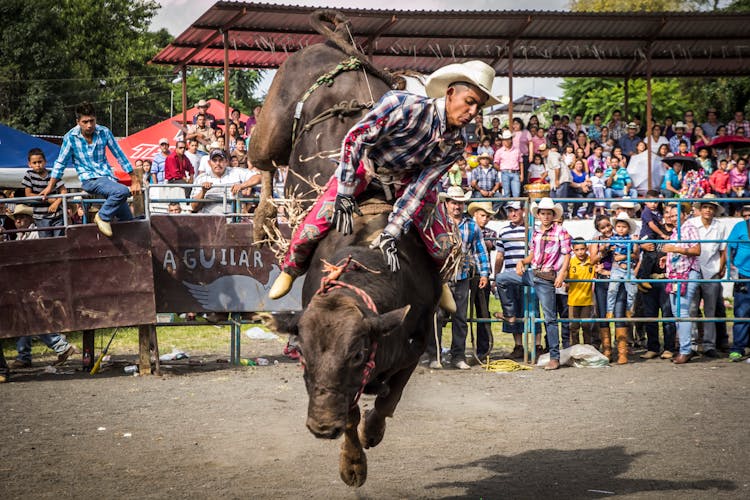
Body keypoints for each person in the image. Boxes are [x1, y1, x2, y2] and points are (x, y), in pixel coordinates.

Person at [268, 60, 501, 312]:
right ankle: (291, 269)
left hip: (407, 181)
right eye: (470, 101)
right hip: (365, 169)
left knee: (443, 245)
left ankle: (440, 277)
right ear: (450, 93)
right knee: (316, 222)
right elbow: (355, 141)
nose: (473, 111)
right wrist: (345, 193)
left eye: (478, 107)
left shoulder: (456, 143)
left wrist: (392, 231)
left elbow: (421, 188)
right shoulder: (401, 105)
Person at [41, 102, 140, 237]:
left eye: (91, 121)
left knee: (128, 220)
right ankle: (103, 216)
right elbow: (60, 163)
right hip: (90, 180)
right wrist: (49, 186)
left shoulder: (104, 132)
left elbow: (120, 155)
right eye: (85, 122)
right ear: (78, 122)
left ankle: (128, 251)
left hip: (108, 179)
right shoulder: (70, 137)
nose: (89, 125)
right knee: (122, 191)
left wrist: (134, 179)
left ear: (95, 119)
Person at [496, 197, 571, 370]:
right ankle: (510, 313)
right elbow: (533, 255)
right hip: (532, 273)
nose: (545, 216)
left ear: (553, 215)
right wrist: (522, 261)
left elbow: (567, 254)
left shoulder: (561, 231)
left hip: (546, 277)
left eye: (548, 214)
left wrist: (561, 274)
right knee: (501, 279)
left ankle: (554, 357)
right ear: (538, 215)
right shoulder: (536, 233)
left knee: (550, 318)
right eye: (543, 213)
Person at [441, 191, 490, 370]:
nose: (457, 206)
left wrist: (484, 273)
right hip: (441, 276)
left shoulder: (471, 226)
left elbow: (480, 251)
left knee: (460, 317)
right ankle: (434, 354)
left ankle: (458, 356)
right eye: (454, 202)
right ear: (447, 203)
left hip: (462, 275)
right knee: (437, 316)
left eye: (460, 203)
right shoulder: (439, 223)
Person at [686, 195, 726, 358]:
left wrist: (720, 269)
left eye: (711, 207)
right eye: (705, 207)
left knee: (711, 309)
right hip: (693, 269)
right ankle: (694, 343)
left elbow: (723, 250)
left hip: (712, 270)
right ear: (700, 209)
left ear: (715, 210)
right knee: (692, 308)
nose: (708, 210)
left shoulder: (720, 226)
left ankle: (709, 344)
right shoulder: (691, 224)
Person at [494, 201, 535, 358]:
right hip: (510, 274)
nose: (513, 213)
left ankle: (536, 344)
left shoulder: (532, 230)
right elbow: (500, 255)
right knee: (514, 308)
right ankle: (518, 346)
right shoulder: (503, 231)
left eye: (516, 210)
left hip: (528, 273)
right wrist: (496, 276)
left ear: (523, 211)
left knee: (532, 310)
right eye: (510, 210)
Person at [663, 202, 701, 364]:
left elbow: (696, 250)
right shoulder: (676, 232)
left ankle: (685, 350)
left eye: (676, 215)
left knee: (682, 310)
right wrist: (667, 258)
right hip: (677, 275)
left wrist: (675, 250)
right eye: (671, 216)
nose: (673, 218)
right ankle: (685, 347)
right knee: (676, 311)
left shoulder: (689, 228)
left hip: (688, 273)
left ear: (684, 214)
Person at [190, 149, 260, 215]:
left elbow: (259, 177)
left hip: (233, 217)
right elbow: (194, 207)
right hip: (209, 219)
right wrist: (203, 191)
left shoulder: (236, 172)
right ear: (209, 163)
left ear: (226, 162)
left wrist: (242, 186)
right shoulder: (202, 178)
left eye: (221, 160)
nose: (217, 163)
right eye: (214, 160)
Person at [23, 148, 66, 238]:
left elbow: (64, 190)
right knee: (46, 242)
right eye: (34, 163)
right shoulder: (29, 175)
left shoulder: (53, 174)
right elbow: (28, 194)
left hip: (57, 214)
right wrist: (48, 200)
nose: (38, 165)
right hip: (40, 216)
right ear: (29, 164)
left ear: (45, 162)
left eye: (40, 162)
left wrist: (56, 203)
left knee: (59, 240)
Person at [727, 204, 750, 361]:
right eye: (746, 213)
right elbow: (730, 248)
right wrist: (731, 268)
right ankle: (738, 348)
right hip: (743, 275)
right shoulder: (740, 226)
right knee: (741, 312)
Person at [636, 191, 669, 291]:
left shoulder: (656, 213)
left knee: (651, 256)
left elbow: (659, 222)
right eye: (651, 202)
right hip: (647, 236)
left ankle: (643, 279)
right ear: (646, 202)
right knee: (649, 256)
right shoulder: (646, 212)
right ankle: (643, 278)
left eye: (655, 202)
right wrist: (662, 234)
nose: (653, 204)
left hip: (652, 236)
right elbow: (651, 225)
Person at [568, 238, 595, 345]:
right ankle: (574, 349)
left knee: (586, 326)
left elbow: (596, 272)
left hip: (587, 300)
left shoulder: (591, 261)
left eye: (582, 249)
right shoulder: (571, 261)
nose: (580, 252)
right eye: (577, 250)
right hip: (573, 300)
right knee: (573, 327)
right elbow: (565, 273)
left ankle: (588, 348)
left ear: (586, 249)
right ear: (573, 250)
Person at [494, 130, 524, 198]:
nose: (506, 141)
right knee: (506, 192)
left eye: (508, 139)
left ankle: (515, 207)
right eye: (504, 140)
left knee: (516, 192)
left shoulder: (517, 150)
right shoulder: (499, 151)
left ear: (511, 140)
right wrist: (502, 170)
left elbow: (520, 162)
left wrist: (521, 174)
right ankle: (507, 208)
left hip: (515, 173)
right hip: (505, 172)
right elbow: (495, 163)